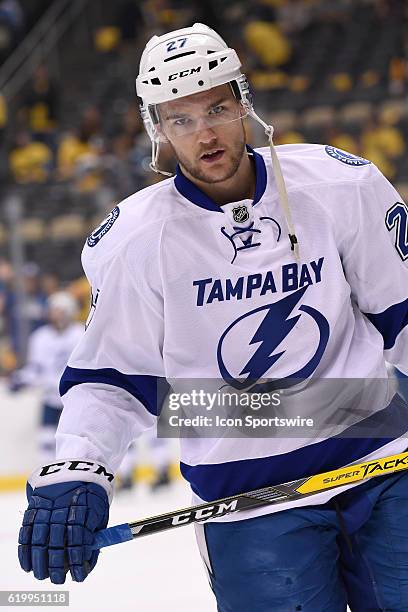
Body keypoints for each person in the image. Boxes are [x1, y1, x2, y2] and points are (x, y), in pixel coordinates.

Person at [18, 23, 408, 611]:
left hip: (385, 468)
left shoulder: (340, 186)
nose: (205, 135)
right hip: (250, 504)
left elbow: (401, 314)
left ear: (243, 101)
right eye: (181, 120)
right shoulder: (136, 240)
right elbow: (114, 379)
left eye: (217, 108)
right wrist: (81, 464)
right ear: (157, 130)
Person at [10, 291, 83, 462]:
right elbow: (35, 369)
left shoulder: (80, 334)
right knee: (46, 442)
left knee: (76, 442)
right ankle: (49, 482)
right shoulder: (40, 337)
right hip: (50, 397)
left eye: (60, 310)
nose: (55, 314)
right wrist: (21, 379)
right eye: (53, 310)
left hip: (73, 398)